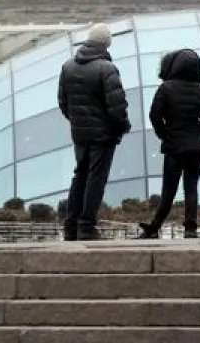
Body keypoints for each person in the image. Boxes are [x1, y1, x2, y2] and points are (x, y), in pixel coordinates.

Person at [57, 22, 131, 241]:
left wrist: (77, 121)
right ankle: (86, 226)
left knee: (79, 175)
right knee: (95, 179)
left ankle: (71, 225)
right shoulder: (106, 69)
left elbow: (63, 102)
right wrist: (122, 127)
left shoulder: (68, 66)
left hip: (80, 133)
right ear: (106, 44)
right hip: (103, 135)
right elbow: (117, 107)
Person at [139, 49, 200, 239]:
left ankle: (154, 228)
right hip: (197, 147)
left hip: (175, 146)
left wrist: (165, 135)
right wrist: (198, 131)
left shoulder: (166, 88)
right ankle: (190, 229)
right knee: (191, 187)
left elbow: (155, 116)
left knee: (169, 190)